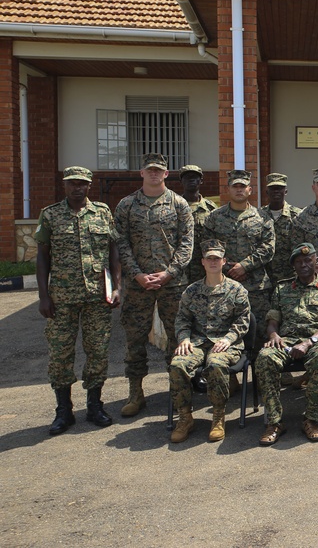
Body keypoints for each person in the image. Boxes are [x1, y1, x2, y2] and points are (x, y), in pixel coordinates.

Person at [35, 166, 121, 435]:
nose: (77, 188)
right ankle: (64, 411)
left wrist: (116, 288)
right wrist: (43, 295)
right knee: (60, 354)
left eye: (82, 183)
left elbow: (113, 250)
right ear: (65, 185)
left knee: (97, 351)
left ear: (89, 185)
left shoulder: (103, 212)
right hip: (62, 297)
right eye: (72, 183)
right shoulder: (50, 215)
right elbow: (42, 257)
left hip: (97, 297)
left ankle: (95, 405)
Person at [114, 152, 194, 418]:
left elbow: (186, 244)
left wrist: (169, 273)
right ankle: (136, 392)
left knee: (177, 337)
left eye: (159, 170)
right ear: (141, 173)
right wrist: (136, 274)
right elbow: (121, 243)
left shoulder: (179, 204)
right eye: (149, 170)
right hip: (137, 285)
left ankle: (177, 391)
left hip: (172, 284)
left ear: (166, 174)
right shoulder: (126, 205)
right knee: (135, 338)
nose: (154, 174)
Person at [256, 242, 318, 445]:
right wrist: (273, 335)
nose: (303, 265)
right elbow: (273, 320)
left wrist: (310, 341)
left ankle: (312, 420)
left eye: (308, 260)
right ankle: (275, 422)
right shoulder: (282, 288)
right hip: (286, 340)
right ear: (293, 266)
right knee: (264, 358)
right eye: (298, 262)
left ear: (316, 261)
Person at [168, 240, 250, 443]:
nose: (213, 262)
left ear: (224, 261)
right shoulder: (192, 291)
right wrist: (184, 338)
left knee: (215, 364)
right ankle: (185, 417)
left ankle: (218, 416)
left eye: (217, 258)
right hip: (196, 342)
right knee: (177, 364)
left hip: (225, 343)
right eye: (209, 258)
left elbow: (243, 319)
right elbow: (182, 319)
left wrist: (229, 338)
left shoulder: (237, 290)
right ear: (202, 262)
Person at [204, 169, 275, 336]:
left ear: (250, 190)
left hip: (256, 286)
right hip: (223, 283)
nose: (239, 190)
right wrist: (230, 268)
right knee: (225, 328)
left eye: (242, 186)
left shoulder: (262, 217)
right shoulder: (214, 217)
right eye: (235, 186)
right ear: (228, 189)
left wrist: (244, 266)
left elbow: (268, 248)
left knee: (259, 331)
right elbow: (209, 248)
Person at [179, 165, 216, 284]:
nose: (191, 180)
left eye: (194, 177)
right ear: (181, 181)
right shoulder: (173, 206)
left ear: (201, 181)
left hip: (203, 267)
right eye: (187, 177)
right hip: (179, 268)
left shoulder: (211, 208)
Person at [264, 172, 302, 284]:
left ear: (286, 191)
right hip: (264, 278)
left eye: (279, 188)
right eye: (273, 188)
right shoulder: (258, 216)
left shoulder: (297, 216)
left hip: (290, 277)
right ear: (267, 192)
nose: (276, 191)